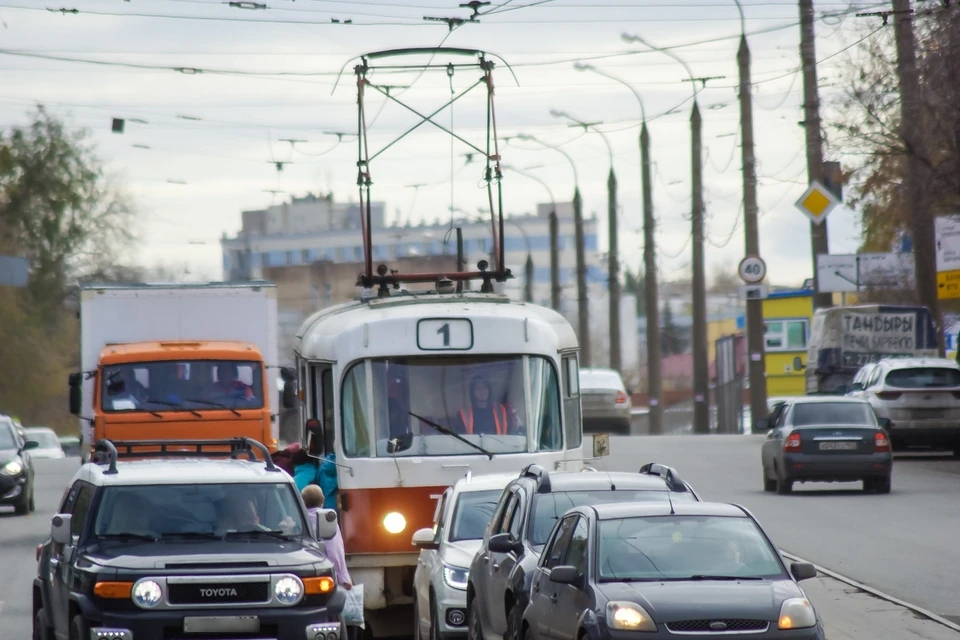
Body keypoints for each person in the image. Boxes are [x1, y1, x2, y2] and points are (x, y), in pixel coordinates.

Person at [303, 485, 357, 640]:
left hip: (307, 579)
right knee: (336, 618)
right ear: (323, 500)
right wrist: (344, 577)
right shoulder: (327, 521)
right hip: (328, 578)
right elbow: (335, 551)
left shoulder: (299, 521)